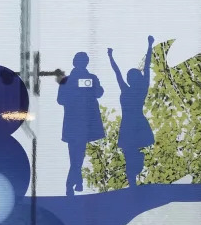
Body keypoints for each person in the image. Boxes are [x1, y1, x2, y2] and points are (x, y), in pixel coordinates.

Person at [107, 36, 155, 188]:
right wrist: (110, 57)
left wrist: (150, 45)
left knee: (130, 153)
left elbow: (147, 66)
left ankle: (136, 170)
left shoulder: (141, 89)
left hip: (136, 124)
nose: (128, 78)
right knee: (129, 154)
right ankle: (132, 183)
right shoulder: (126, 89)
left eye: (131, 76)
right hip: (128, 124)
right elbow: (117, 72)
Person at [56, 52, 106, 196]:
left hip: (84, 122)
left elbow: (99, 93)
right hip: (74, 122)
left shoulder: (91, 78)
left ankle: (73, 183)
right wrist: (76, 93)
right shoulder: (67, 80)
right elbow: (60, 99)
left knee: (77, 155)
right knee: (76, 155)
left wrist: (90, 88)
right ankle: (75, 182)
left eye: (83, 61)